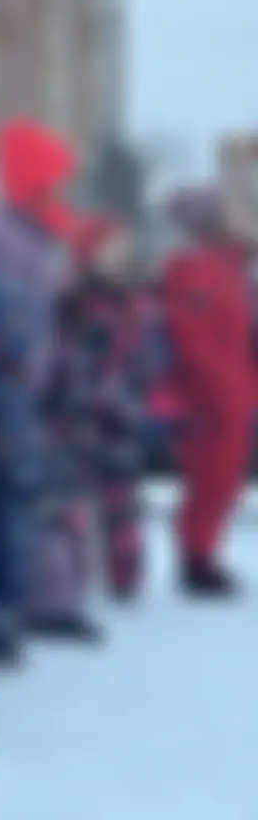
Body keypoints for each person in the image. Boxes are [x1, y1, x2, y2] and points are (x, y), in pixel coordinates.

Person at [0, 118, 92, 659]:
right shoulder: (3, 242)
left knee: (26, 494)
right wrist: (5, 358)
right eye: (56, 182)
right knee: (5, 497)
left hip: (27, 386)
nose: (64, 194)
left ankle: (25, 600)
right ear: (34, 183)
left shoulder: (36, 239)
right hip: (2, 388)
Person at [163, 186, 257, 597]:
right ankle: (196, 557)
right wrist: (215, 388)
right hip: (208, 397)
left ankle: (205, 552)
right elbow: (191, 336)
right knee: (208, 479)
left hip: (238, 391)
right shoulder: (191, 268)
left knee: (228, 481)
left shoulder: (234, 268)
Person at [54, 214, 153, 602]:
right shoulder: (76, 303)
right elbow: (71, 360)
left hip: (121, 416)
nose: (120, 255)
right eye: (111, 248)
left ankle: (125, 570)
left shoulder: (134, 301)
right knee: (76, 501)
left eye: (123, 248)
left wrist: (138, 392)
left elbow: (143, 357)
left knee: (122, 497)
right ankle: (72, 576)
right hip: (81, 415)